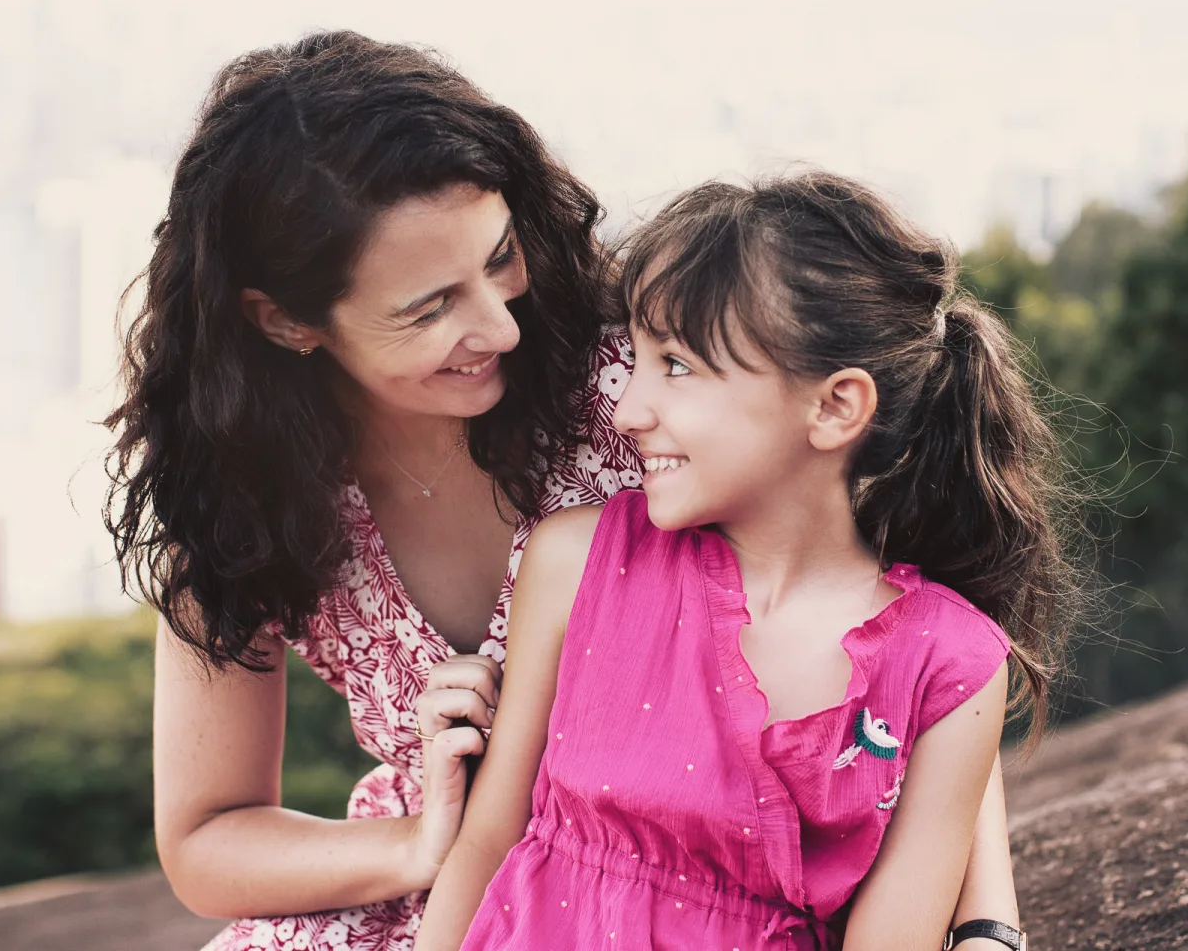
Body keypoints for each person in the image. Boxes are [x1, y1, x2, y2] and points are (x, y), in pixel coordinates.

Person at [106, 32, 1021, 951]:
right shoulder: (240, 502)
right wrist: (417, 846)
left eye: (500, 257)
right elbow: (205, 839)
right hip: (449, 899)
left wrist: (987, 923)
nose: (500, 325)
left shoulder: (643, 382)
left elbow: (896, 634)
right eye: (429, 309)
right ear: (289, 320)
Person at [416, 174, 1079, 951]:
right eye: (637, 358)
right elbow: (488, 841)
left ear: (834, 407)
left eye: (678, 366)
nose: (629, 409)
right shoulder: (576, 559)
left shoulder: (949, 663)